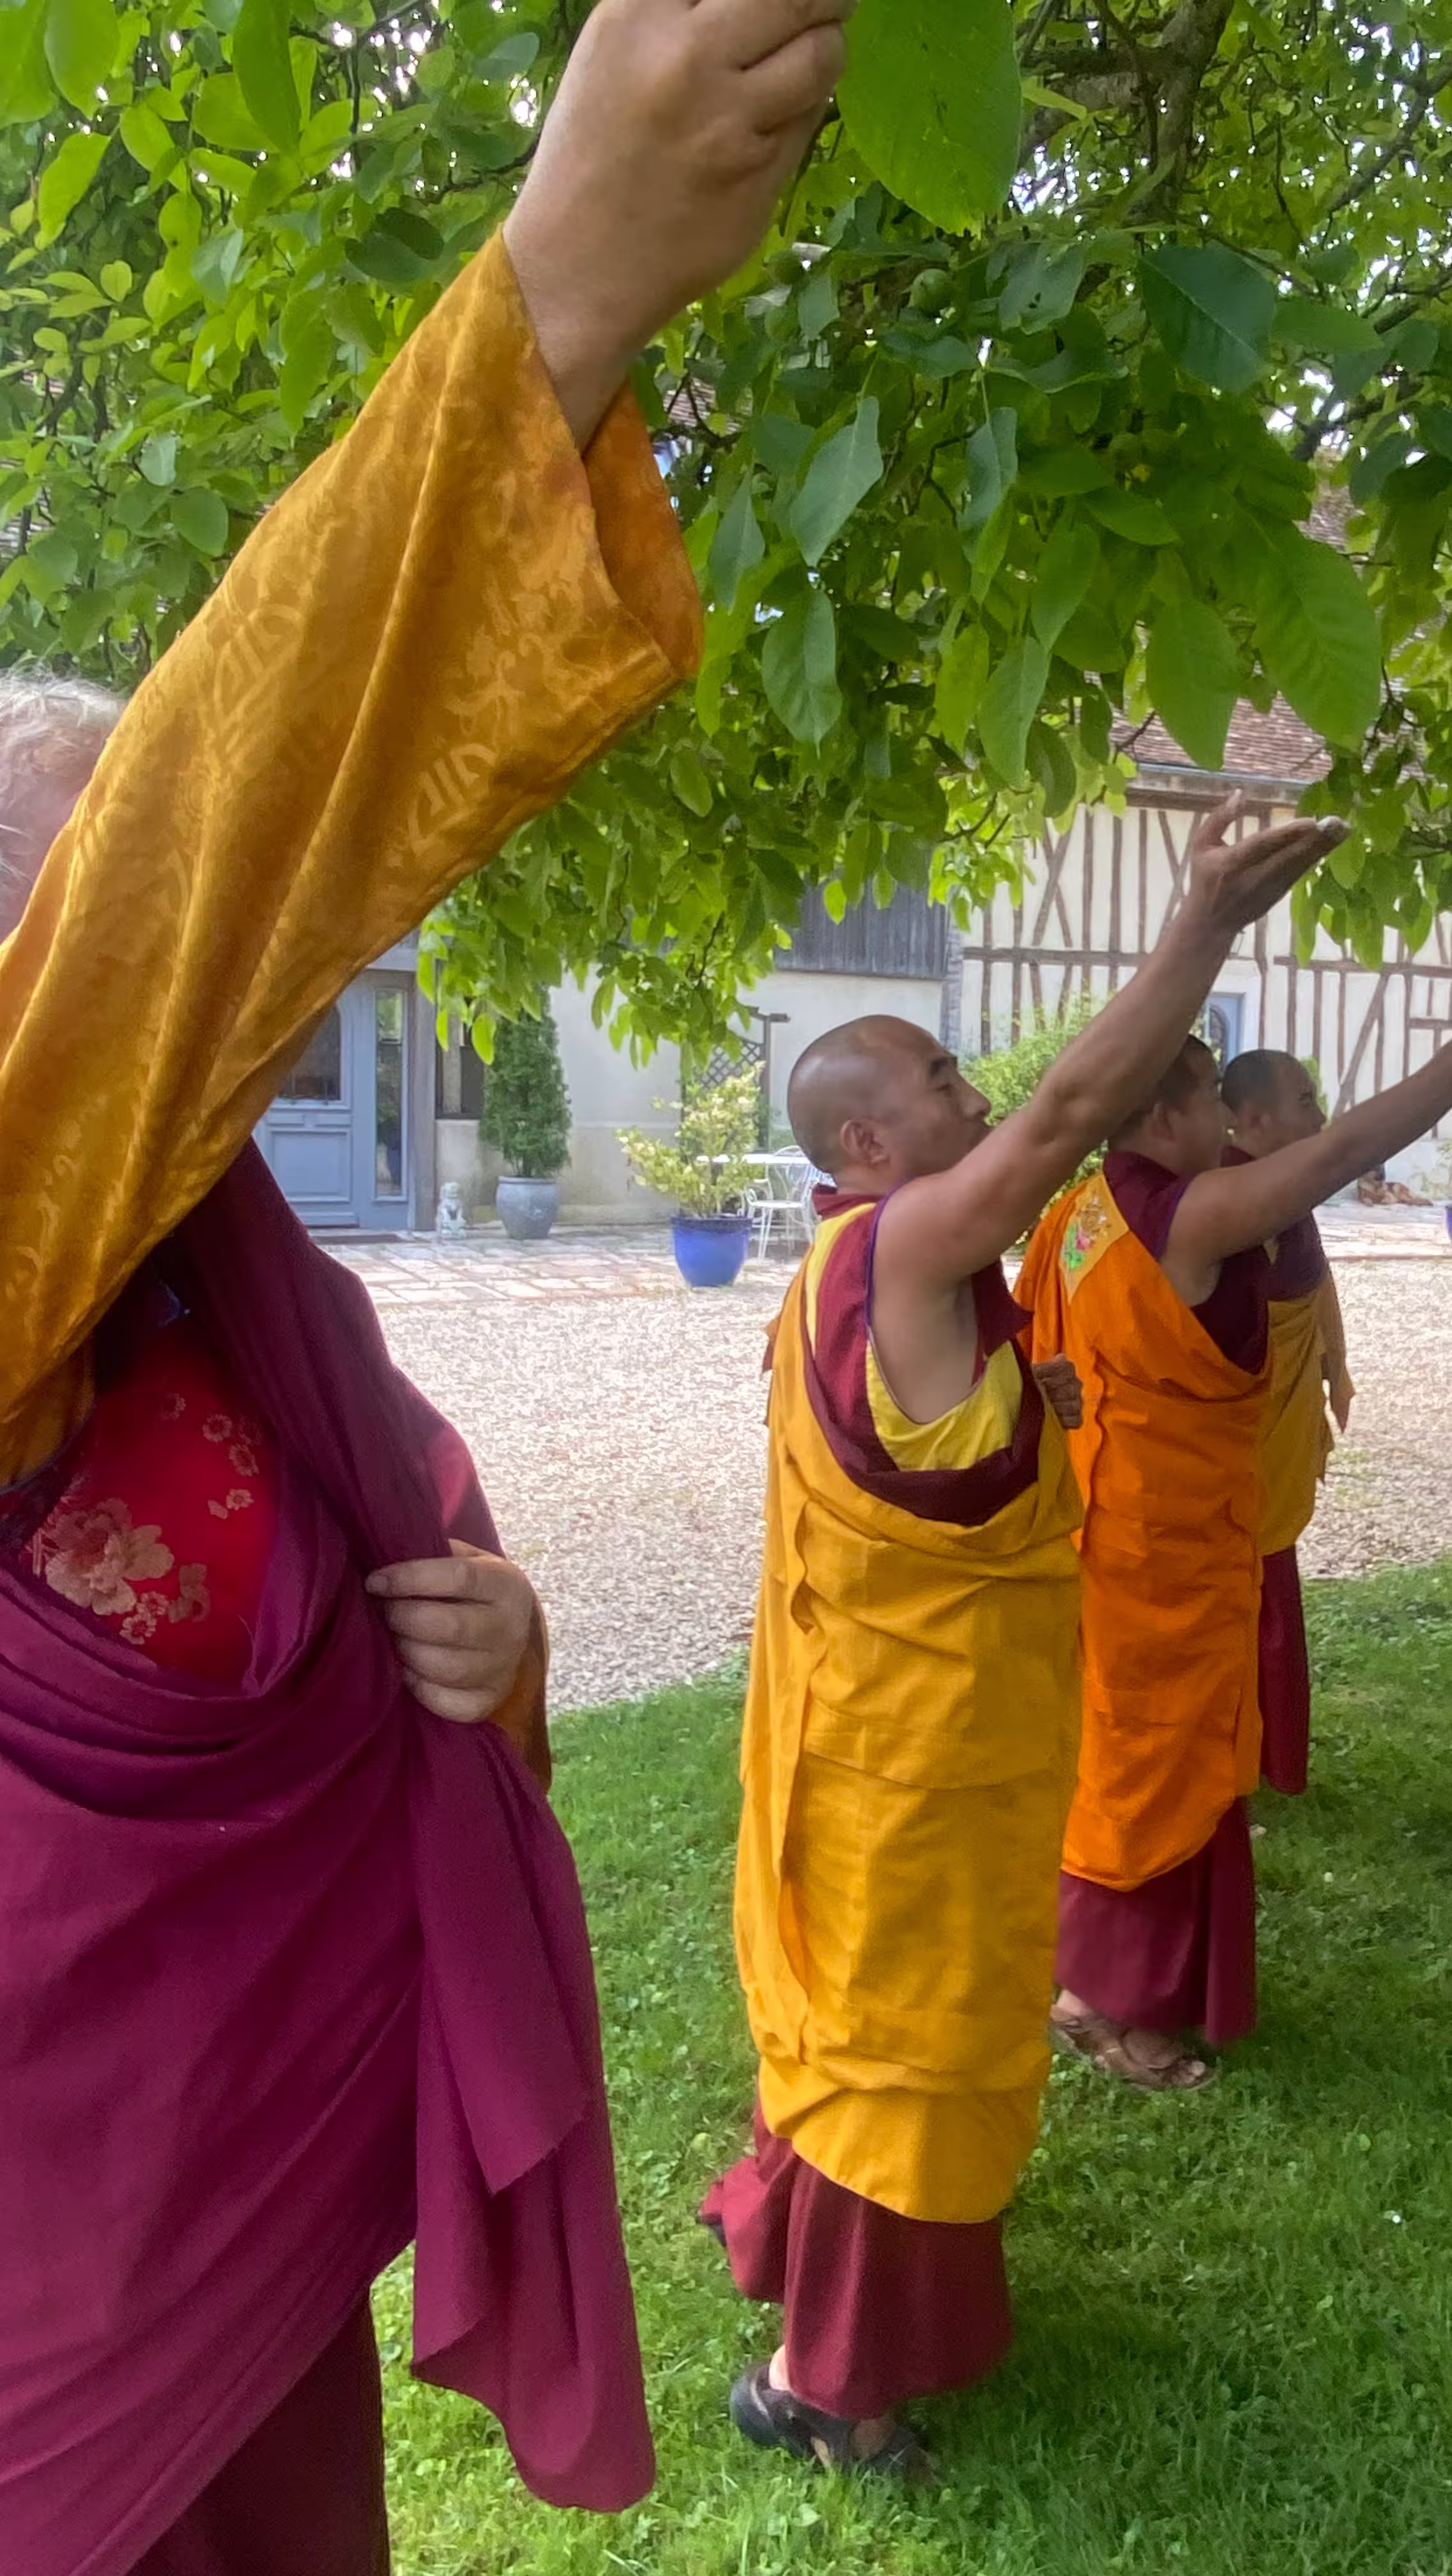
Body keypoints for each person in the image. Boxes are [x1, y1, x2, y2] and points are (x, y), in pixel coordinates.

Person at [0, 3, 851, 2566]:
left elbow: (421, 1556)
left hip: (242, 2276)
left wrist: (487, 1634)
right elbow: (206, 877)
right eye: (61, 920)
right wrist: (559, 291)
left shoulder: (227, 1289)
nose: (163, 981)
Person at [703, 797, 1347, 2481]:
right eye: (936, 1082)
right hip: (898, 1771)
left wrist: (1032, 1404)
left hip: (955, 1752)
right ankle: (825, 2387)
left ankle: (833, 2337)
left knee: (935, 2038)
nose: (973, 1093)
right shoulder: (907, 1240)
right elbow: (1075, 1107)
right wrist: (1202, 920)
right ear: (863, 1151)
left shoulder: (898, 1282)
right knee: (892, 2059)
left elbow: (939, 1448)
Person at [1019, 990, 1452, 2090]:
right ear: (1162, 1117)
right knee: (1151, 1771)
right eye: (1207, 1102)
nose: (1224, 1131)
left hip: (1117, 1520)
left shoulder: (1081, 1208)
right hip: (1162, 1541)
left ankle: (1119, 1978)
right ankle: (1103, 1998)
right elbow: (1342, 1149)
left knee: (1131, 1757)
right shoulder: (1176, 1216)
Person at [1221, 1051, 1354, 1796]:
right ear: (1254, 1119)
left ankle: (1270, 1751)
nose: (1319, 1117)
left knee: (1271, 1575)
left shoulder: (1282, 1189)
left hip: (1280, 1414)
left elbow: (1314, 1271)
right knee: (1253, 1582)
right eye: (1306, 1101)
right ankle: (1247, 1750)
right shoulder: (1232, 1194)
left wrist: (1333, 1356)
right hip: (1242, 1435)